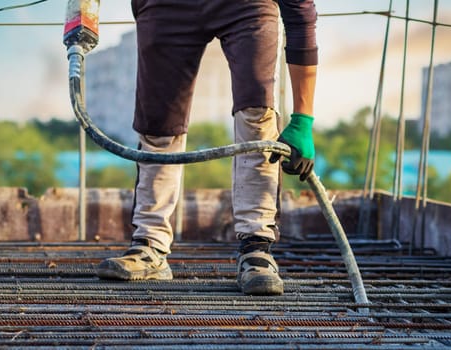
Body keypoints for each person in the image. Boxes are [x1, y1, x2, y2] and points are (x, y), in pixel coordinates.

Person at [97, 0, 318, 296]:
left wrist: (303, 119)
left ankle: (256, 249)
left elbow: (300, 15)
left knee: (257, 112)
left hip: (247, 6)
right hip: (166, 6)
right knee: (158, 121)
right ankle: (149, 245)